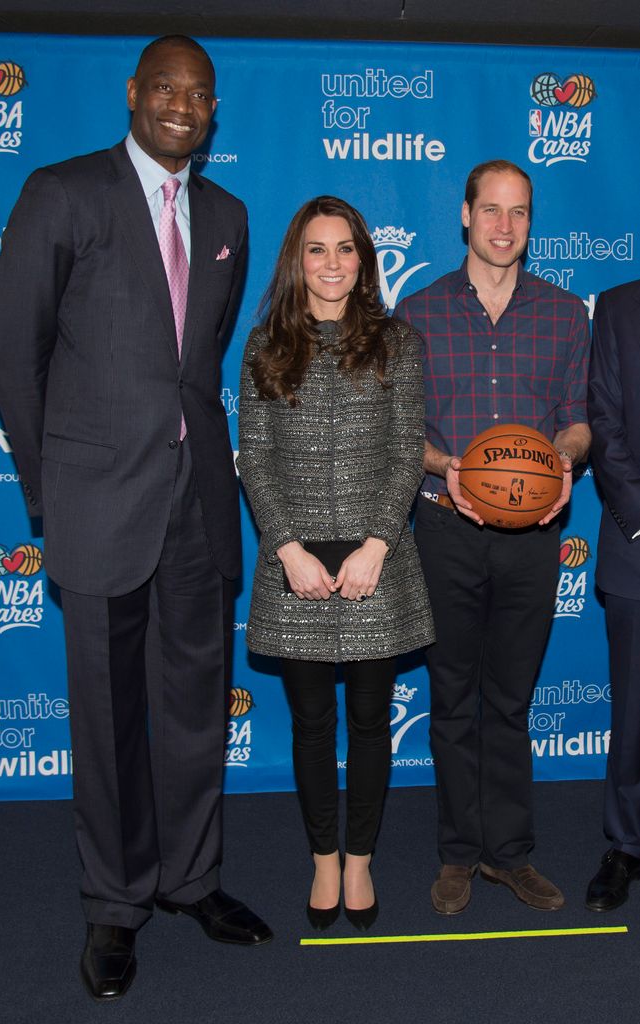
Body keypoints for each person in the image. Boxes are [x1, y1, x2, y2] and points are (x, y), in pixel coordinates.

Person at [0, 35, 271, 1002]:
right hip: (96, 506)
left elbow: (198, 370)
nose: (182, 105)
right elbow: (13, 360)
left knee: (194, 710)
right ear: (133, 94)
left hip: (197, 507)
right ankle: (114, 902)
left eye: (199, 94)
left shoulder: (228, 213)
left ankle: (191, 878)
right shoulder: (61, 193)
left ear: (212, 108)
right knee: (108, 720)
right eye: (166, 88)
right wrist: (45, 492)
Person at [395, 159, 591, 915]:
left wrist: (562, 461)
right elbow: (399, 431)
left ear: (528, 222)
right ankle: (456, 854)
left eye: (519, 212)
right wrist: (452, 468)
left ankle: (508, 855)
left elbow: (575, 421)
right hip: (444, 528)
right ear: (465, 216)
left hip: (533, 536)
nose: (504, 226)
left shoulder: (564, 314)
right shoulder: (416, 313)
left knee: (509, 701)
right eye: (491, 210)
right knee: (451, 698)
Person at [238, 196, 434, 932]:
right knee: (312, 724)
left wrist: (377, 546)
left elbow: (403, 451)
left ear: (363, 260)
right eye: (316, 250)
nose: (331, 264)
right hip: (295, 567)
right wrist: (286, 550)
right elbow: (253, 459)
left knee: (370, 722)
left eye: (344, 249)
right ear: (297, 260)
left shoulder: (398, 343)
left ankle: (361, 858)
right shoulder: (264, 347)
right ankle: (323, 859)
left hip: (373, 563)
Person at [586, 280, 640, 911]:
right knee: (633, 715)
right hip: (637, 544)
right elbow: (604, 416)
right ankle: (628, 844)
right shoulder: (620, 306)